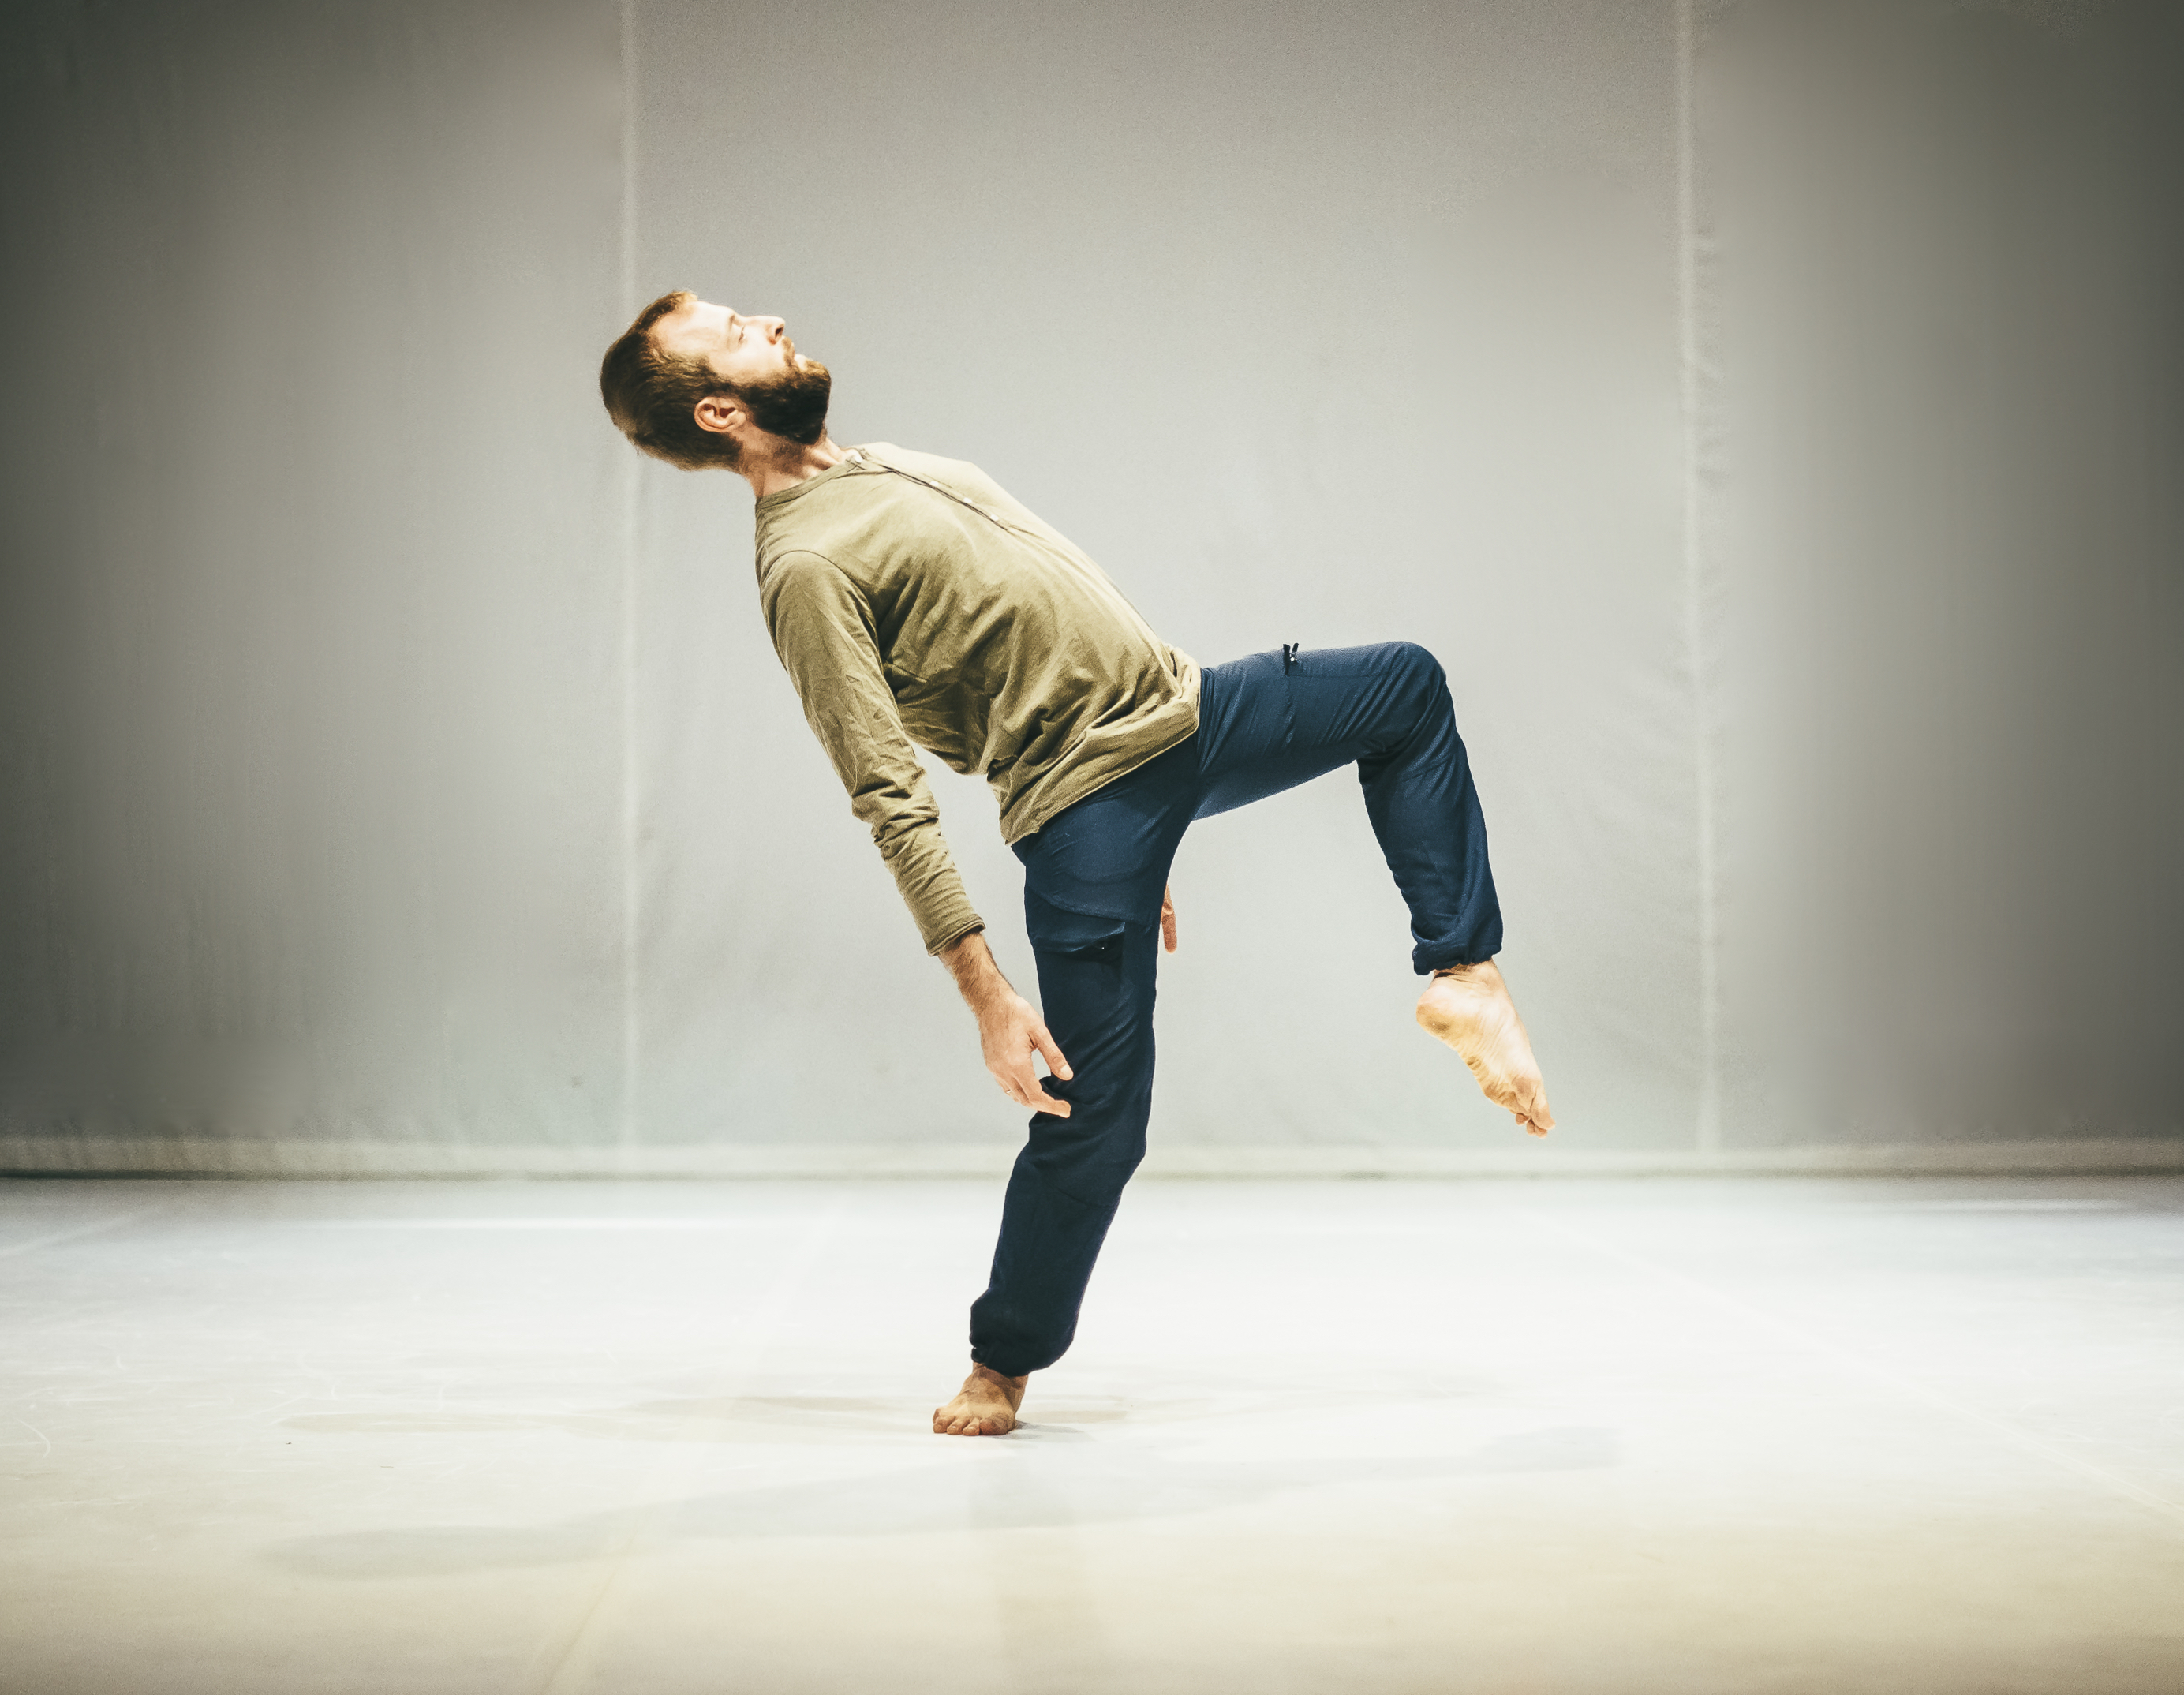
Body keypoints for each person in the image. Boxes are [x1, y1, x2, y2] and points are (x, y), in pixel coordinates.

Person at [598, 292, 1555, 1437]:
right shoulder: (804, 564)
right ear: (718, 410)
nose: (766, 319)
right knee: (1095, 1114)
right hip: (1084, 805)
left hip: (1188, 715)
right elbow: (886, 786)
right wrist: (987, 992)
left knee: (1404, 686)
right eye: (732, 331)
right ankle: (1001, 1361)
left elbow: (1026, 627)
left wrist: (1159, 827)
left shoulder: (878, 465)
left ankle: (1463, 972)